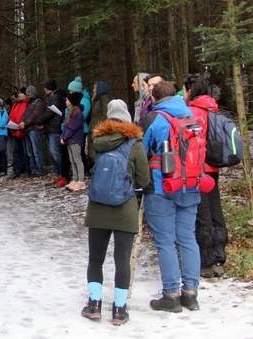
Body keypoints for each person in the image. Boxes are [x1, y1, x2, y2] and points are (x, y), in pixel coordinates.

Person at [81, 99, 151, 326]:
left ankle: (94, 304)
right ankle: (119, 309)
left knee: (95, 258)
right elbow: (143, 179)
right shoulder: (135, 144)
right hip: (125, 207)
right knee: (122, 259)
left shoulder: (98, 142)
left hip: (98, 206)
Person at [142, 81, 202, 312]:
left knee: (165, 241)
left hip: (161, 185)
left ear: (154, 98)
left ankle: (171, 295)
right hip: (191, 184)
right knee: (187, 239)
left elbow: (141, 151)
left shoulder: (154, 119)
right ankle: (191, 293)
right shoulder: (192, 118)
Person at [183, 73, 228, 278]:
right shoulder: (213, 109)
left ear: (190, 90)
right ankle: (219, 257)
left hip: (197, 168)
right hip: (213, 166)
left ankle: (207, 260)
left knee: (202, 213)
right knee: (215, 210)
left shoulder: (190, 111)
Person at [36, 79, 66, 186]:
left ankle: (63, 174)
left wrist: (39, 120)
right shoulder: (51, 97)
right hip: (50, 127)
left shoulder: (56, 97)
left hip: (55, 128)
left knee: (55, 152)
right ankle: (57, 174)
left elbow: (50, 112)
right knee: (53, 153)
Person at [61, 92, 86, 191]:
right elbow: (66, 127)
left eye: (67, 100)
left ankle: (81, 180)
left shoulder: (77, 113)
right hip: (70, 140)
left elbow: (72, 128)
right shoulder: (71, 112)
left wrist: (65, 138)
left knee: (77, 160)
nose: (66, 102)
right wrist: (63, 137)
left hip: (75, 140)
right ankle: (75, 179)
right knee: (72, 160)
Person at [20, 85, 46, 177]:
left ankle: (40, 169)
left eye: (29, 95)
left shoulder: (39, 102)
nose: (27, 97)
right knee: (30, 152)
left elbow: (34, 115)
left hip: (34, 129)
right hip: (27, 129)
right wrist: (21, 121)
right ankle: (33, 169)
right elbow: (25, 114)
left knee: (36, 151)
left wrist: (25, 123)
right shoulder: (30, 104)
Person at [8, 89, 30, 178]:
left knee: (25, 152)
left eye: (21, 93)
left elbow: (28, 116)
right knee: (15, 153)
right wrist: (10, 125)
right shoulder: (15, 104)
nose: (19, 95)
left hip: (23, 131)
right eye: (19, 93)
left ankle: (26, 170)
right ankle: (16, 170)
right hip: (15, 131)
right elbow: (11, 116)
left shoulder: (28, 104)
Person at [89, 81, 113, 164]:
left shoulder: (105, 99)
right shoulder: (97, 100)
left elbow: (106, 115)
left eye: (95, 88)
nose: (93, 90)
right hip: (95, 129)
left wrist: (100, 127)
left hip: (100, 130)